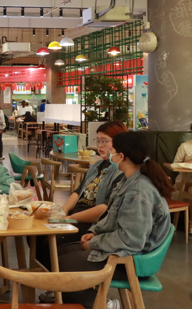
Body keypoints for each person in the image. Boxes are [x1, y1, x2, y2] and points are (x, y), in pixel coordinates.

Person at [57, 131, 175, 309]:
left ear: (121, 156)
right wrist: (94, 233)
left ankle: (102, 304)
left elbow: (131, 239)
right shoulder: (129, 179)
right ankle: (77, 300)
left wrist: (95, 243)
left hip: (134, 258)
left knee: (65, 264)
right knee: (58, 253)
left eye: (112, 150)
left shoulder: (138, 190)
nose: (108, 153)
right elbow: (111, 218)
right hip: (124, 249)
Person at [37, 121, 129, 295]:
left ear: (119, 142)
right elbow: (77, 192)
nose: (99, 146)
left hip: (92, 224)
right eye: (98, 140)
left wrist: (69, 219)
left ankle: (67, 290)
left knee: (50, 243)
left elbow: (104, 210)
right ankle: (55, 285)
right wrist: (63, 212)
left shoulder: (122, 171)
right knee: (35, 235)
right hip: (75, 216)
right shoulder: (97, 166)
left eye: (105, 141)